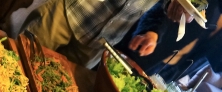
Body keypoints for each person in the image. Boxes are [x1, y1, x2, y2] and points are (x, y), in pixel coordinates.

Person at [20, 0, 192, 69]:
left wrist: (153, 32)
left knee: (54, 88)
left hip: (101, 41)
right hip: (71, 10)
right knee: (20, 59)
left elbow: (162, 7)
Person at [120, 0, 221, 82]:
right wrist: (153, 31)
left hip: (169, 68)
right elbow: (162, 5)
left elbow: (217, 65)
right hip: (148, 45)